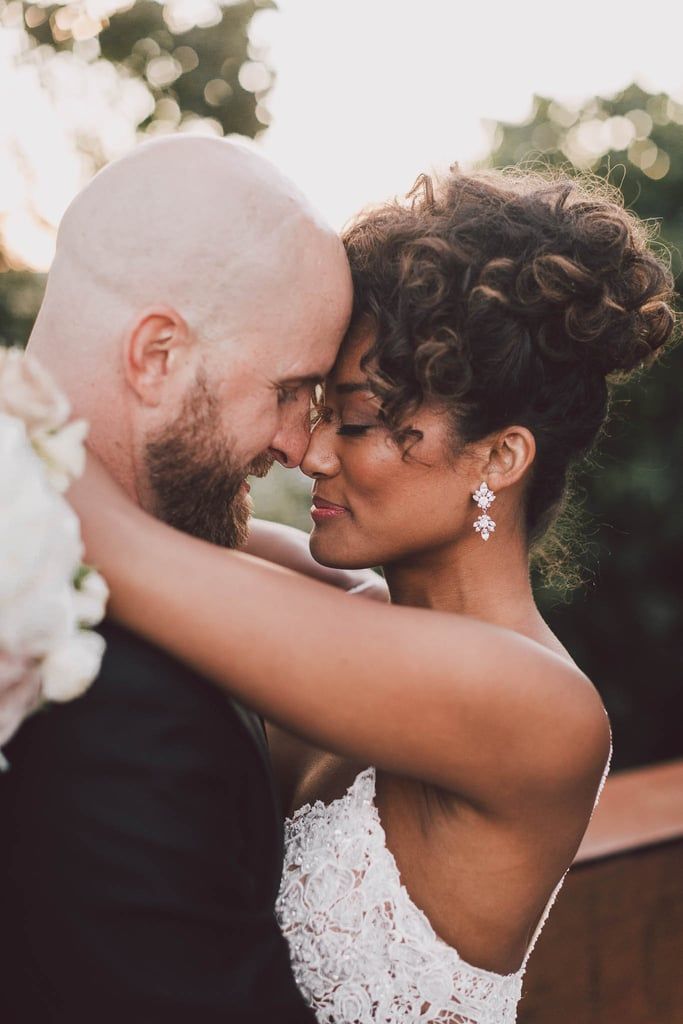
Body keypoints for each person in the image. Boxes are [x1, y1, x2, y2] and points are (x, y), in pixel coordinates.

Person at [67, 168, 675, 1023]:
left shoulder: (538, 710)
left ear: (498, 458)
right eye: (312, 409)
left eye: (354, 421)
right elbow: (145, 504)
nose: (310, 453)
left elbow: (110, 537)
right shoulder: (343, 605)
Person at [0, 134, 373, 1023]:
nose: (296, 442)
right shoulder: (117, 700)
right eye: (290, 387)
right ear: (157, 355)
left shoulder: (105, 576)